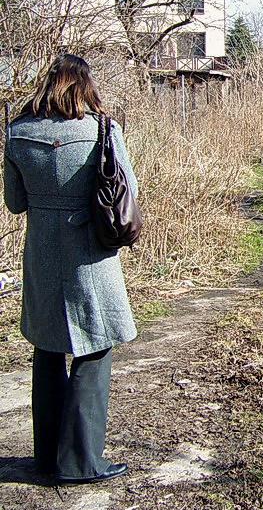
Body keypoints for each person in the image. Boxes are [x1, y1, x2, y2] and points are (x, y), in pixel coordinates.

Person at [3, 54, 137, 484]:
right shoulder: (101, 129)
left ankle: (46, 458)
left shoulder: (17, 132)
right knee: (94, 348)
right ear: (86, 85)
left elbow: (15, 203)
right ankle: (80, 462)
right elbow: (126, 191)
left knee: (46, 348)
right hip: (89, 254)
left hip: (41, 250)